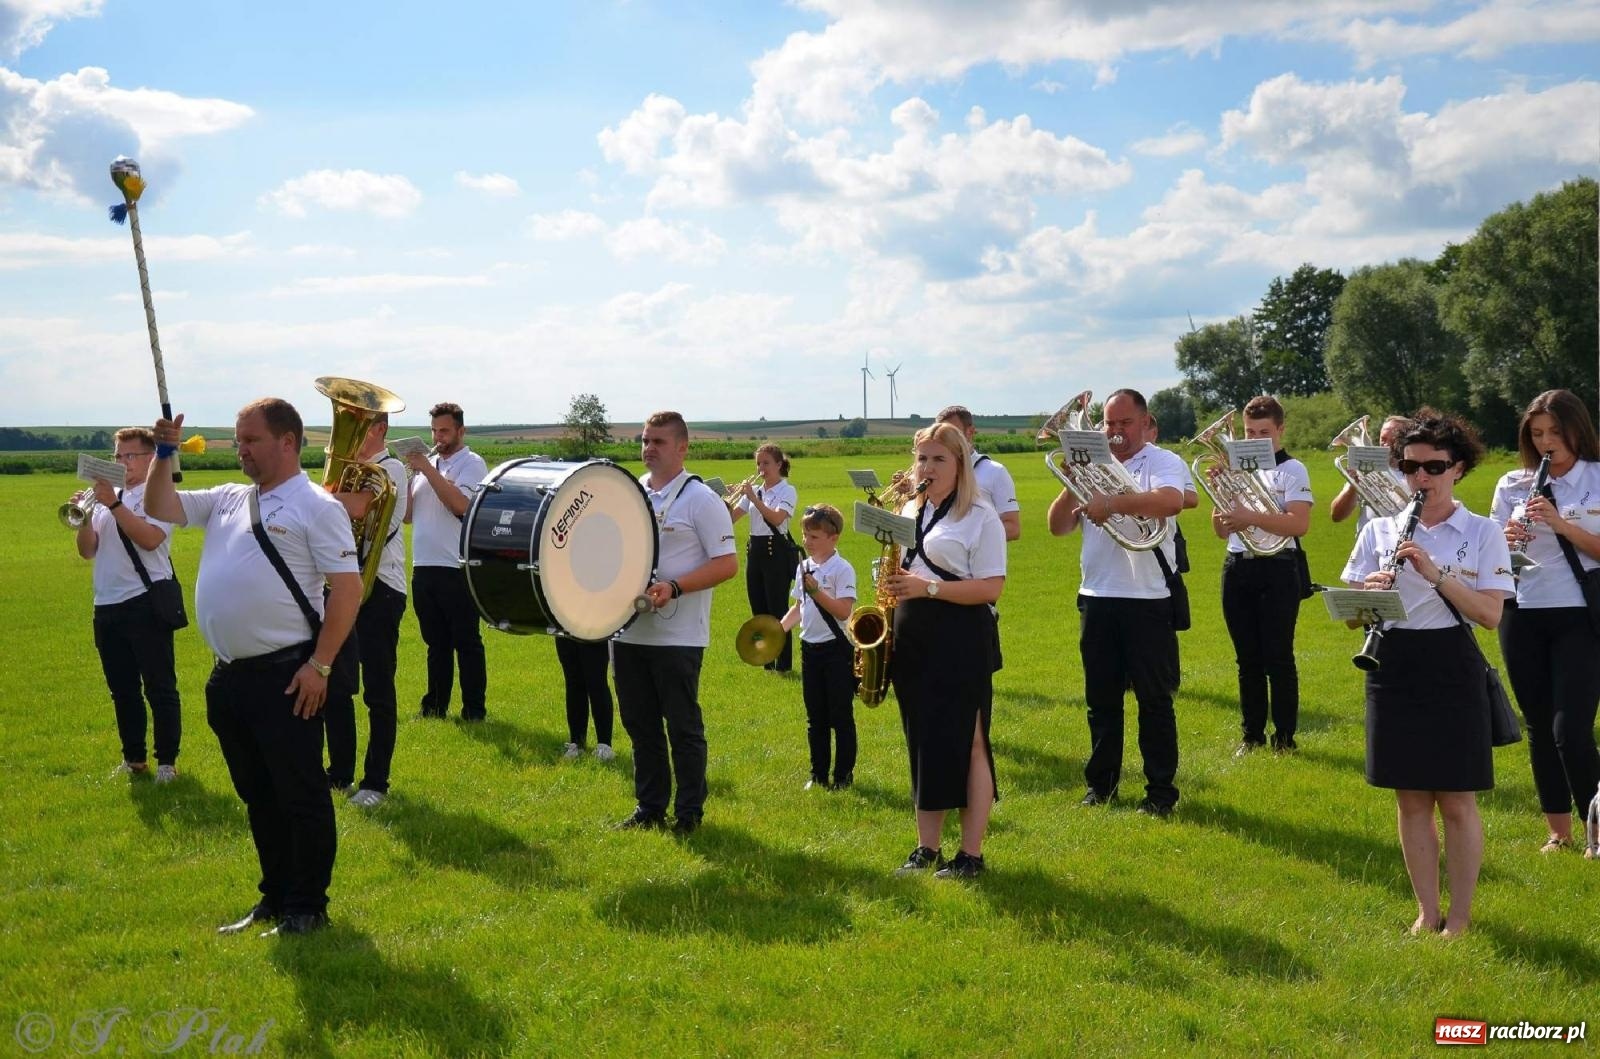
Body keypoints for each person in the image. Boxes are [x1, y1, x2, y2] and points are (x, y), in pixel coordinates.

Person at [144, 400, 361, 937]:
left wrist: (320, 667)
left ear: (287, 442)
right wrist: (164, 453)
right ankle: (275, 897)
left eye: (251, 440)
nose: (240, 449)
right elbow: (159, 505)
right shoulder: (228, 497)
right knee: (259, 796)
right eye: (238, 439)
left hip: (288, 676)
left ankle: (308, 907)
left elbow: (348, 590)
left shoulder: (317, 506)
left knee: (300, 795)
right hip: (229, 678)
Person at [1341, 410, 1512, 936]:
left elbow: (1490, 615)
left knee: (1456, 800)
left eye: (1434, 467)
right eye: (1411, 467)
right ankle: (1427, 910)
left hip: (1452, 663)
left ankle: (1459, 917)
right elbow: (1351, 617)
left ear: (1457, 468)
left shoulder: (1482, 531)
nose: (1422, 478)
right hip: (1392, 663)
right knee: (1411, 798)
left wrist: (1435, 575)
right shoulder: (1379, 528)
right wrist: (1370, 596)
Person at [1048, 388, 1185, 816]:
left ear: (1145, 423)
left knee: (1154, 701)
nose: (1116, 431)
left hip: (1147, 597)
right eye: (1109, 423)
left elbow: (1171, 500)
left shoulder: (1163, 461)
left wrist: (1111, 503)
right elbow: (1057, 527)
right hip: (1097, 595)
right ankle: (1100, 786)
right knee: (1101, 700)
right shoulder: (1092, 465)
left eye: (1125, 423)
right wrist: (1072, 483)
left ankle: (1160, 793)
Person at [886, 423, 1006, 879]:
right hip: (913, 634)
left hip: (961, 635)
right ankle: (927, 849)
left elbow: (991, 587)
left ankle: (971, 855)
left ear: (960, 464)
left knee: (970, 741)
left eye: (939, 459)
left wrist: (928, 587)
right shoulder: (909, 509)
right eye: (922, 459)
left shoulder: (980, 515)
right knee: (923, 739)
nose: (927, 468)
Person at [612, 412, 737, 834]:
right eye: (644, 440)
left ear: (682, 448)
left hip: (677, 636)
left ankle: (688, 814)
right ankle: (649, 809)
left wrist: (675, 587)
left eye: (658, 442)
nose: (648, 448)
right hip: (628, 630)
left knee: (682, 728)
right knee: (639, 725)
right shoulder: (632, 492)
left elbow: (727, 564)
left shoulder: (701, 499)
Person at [1490, 389, 1600, 855]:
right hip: (1522, 611)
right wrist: (1505, 539)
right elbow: (1492, 556)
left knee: (1570, 731)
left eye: (1555, 432)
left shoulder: (1596, 476)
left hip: (1580, 612)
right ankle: (1559, 832)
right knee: (1538, 727)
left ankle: (1597, 829)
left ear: (1577, 429)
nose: (1546, 442)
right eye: (1536, 434)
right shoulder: (1511, 483)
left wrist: (1560, 524)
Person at [76, 427, 183, 782]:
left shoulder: (158, 497)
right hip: (106, 604)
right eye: (117, 456)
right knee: (122, 690)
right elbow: (88, 550)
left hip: (145, 601)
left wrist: (114, 504)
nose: (121, 462)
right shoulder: (109, 498)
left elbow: (150, 539)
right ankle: (134, 758)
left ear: (151, 458)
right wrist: (85, 516)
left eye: (129, 456)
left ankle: (167, 763)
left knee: (159, 688)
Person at [1210, 395, 1314, 754]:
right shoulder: (1236, 470)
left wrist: (1251, 517)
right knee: (1247, 660)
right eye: (1249, 432)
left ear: (1280, 430)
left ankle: (1284, 739)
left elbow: (1299, 524)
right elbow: (1220, 531)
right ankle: (1251, 736)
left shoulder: (1293, 469)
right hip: (1237, 565)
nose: (1255, 439)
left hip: (1278, 567)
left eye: (1263, 432)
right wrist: (1221, 490)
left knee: (1279, 658)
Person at [324, 412, 409, 807]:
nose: (351, 437)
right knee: (336, 684)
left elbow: (358, 509)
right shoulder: (350, 475)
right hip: (346, 586)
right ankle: (339, 774)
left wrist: (318, 497)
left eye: (360, 427)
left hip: (381, 588)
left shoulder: (391, 470)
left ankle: (376, 782)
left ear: (379, 430)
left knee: (378, 689)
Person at [406, 401, 489, 721]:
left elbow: (460, 505)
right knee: (435, 644)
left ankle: (474, 710)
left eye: (444, 431)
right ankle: (435, 707)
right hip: (424, 565)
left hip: (456, 566)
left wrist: (427, 471)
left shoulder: (472, 463)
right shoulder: (427, 466)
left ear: (460, 431)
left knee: (466, 642)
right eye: (433, 431)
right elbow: (408, 516)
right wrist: (409, 478)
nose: (437, 437)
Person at [778, 503, 858, 790]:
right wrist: (777, 631)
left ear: (833, 538)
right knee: (815, 718)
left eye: (814, 537)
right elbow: (799, 607)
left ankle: (843, 776)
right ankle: (818, 775)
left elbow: (843, 611)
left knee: (841, 717)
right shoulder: (804, 567)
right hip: (809, 649)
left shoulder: (842, 569)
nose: (807, 541)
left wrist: (817, 591)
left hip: (836, 651)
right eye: (805, 535)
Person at [731, 443, 798, 672]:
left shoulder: (787, 491)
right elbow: (731, 518)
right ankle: (766, 662)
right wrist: (719, 500)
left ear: (779, 464)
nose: (761, 468)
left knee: (778, 610)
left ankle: (784, 665)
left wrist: (753, 498)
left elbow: (777, 519)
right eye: (758, 463)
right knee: (758, 609)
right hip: (755, 552)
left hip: (775, 551)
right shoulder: (755, 491)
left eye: (766, 463)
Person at [935, 405, 1021, 540]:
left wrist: (963, 536)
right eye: (940, 434)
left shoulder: (995, 471)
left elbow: (1013, 528)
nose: (945, 439)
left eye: (952, 432)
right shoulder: (932, 472)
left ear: (970, 432)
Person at [1331, 415, 1411, 531]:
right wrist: (1353, 486)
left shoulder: (1420, 473)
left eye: (1394, 440)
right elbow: (1337, 516)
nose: (1386, 444)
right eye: (1383, 439)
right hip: (1370, 540)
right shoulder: (1367, 468)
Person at [556, 636, 615, 762]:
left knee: (596, 682)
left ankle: (604, 745)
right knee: (573, 683)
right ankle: (577, 743)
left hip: (594, 629)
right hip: (565, 629)